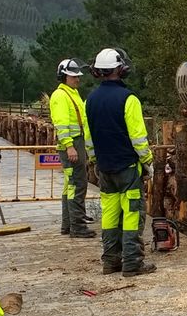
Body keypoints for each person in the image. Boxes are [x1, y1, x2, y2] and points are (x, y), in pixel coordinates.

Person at [86, 47, 155, 277]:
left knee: (110, 214)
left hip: (104, 168)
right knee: (133, 214)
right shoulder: (129, 99)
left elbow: (89, 137)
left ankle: (110, 261)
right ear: (120, 69)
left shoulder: (91, 100)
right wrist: (148, 161)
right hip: (127, 167)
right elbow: (138, 137)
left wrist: (95, 159)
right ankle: (132, 263)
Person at [50, 58, 96, 238]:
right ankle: (77, 226)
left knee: (71, 185)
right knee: (77, 184)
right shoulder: (61, 96)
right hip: (71, 144)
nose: (77, 79)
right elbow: (61, 124)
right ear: (64, 76)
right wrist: (70, 146)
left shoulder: (72, 94)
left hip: (76, 143)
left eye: (78, 76)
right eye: (73, 76)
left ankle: (68, 224)